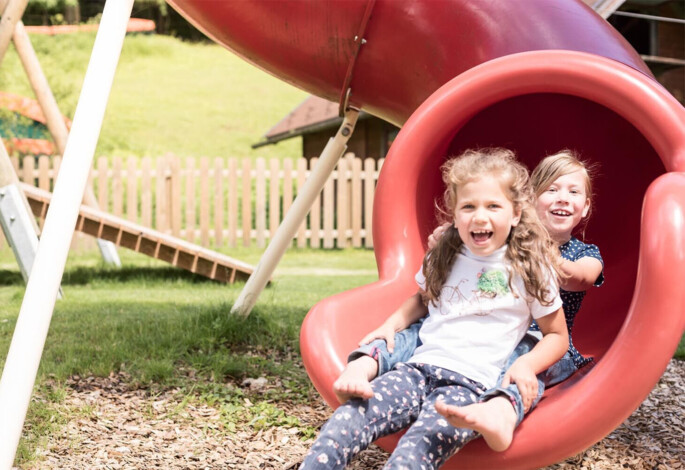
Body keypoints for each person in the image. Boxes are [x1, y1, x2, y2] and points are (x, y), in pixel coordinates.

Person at [300, 148, 569, 469]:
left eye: (493, 206)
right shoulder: (445, 255)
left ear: (515, 214)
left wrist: (526, 365)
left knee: (415, 452)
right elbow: (422, 300)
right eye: (468, 206)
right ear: (455, 214)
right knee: (346, 421)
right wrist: (391, 324)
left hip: (468, 386)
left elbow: (556, 335)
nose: (480, 217)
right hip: (416, 370)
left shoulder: (529, 267)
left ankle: (497, 414)